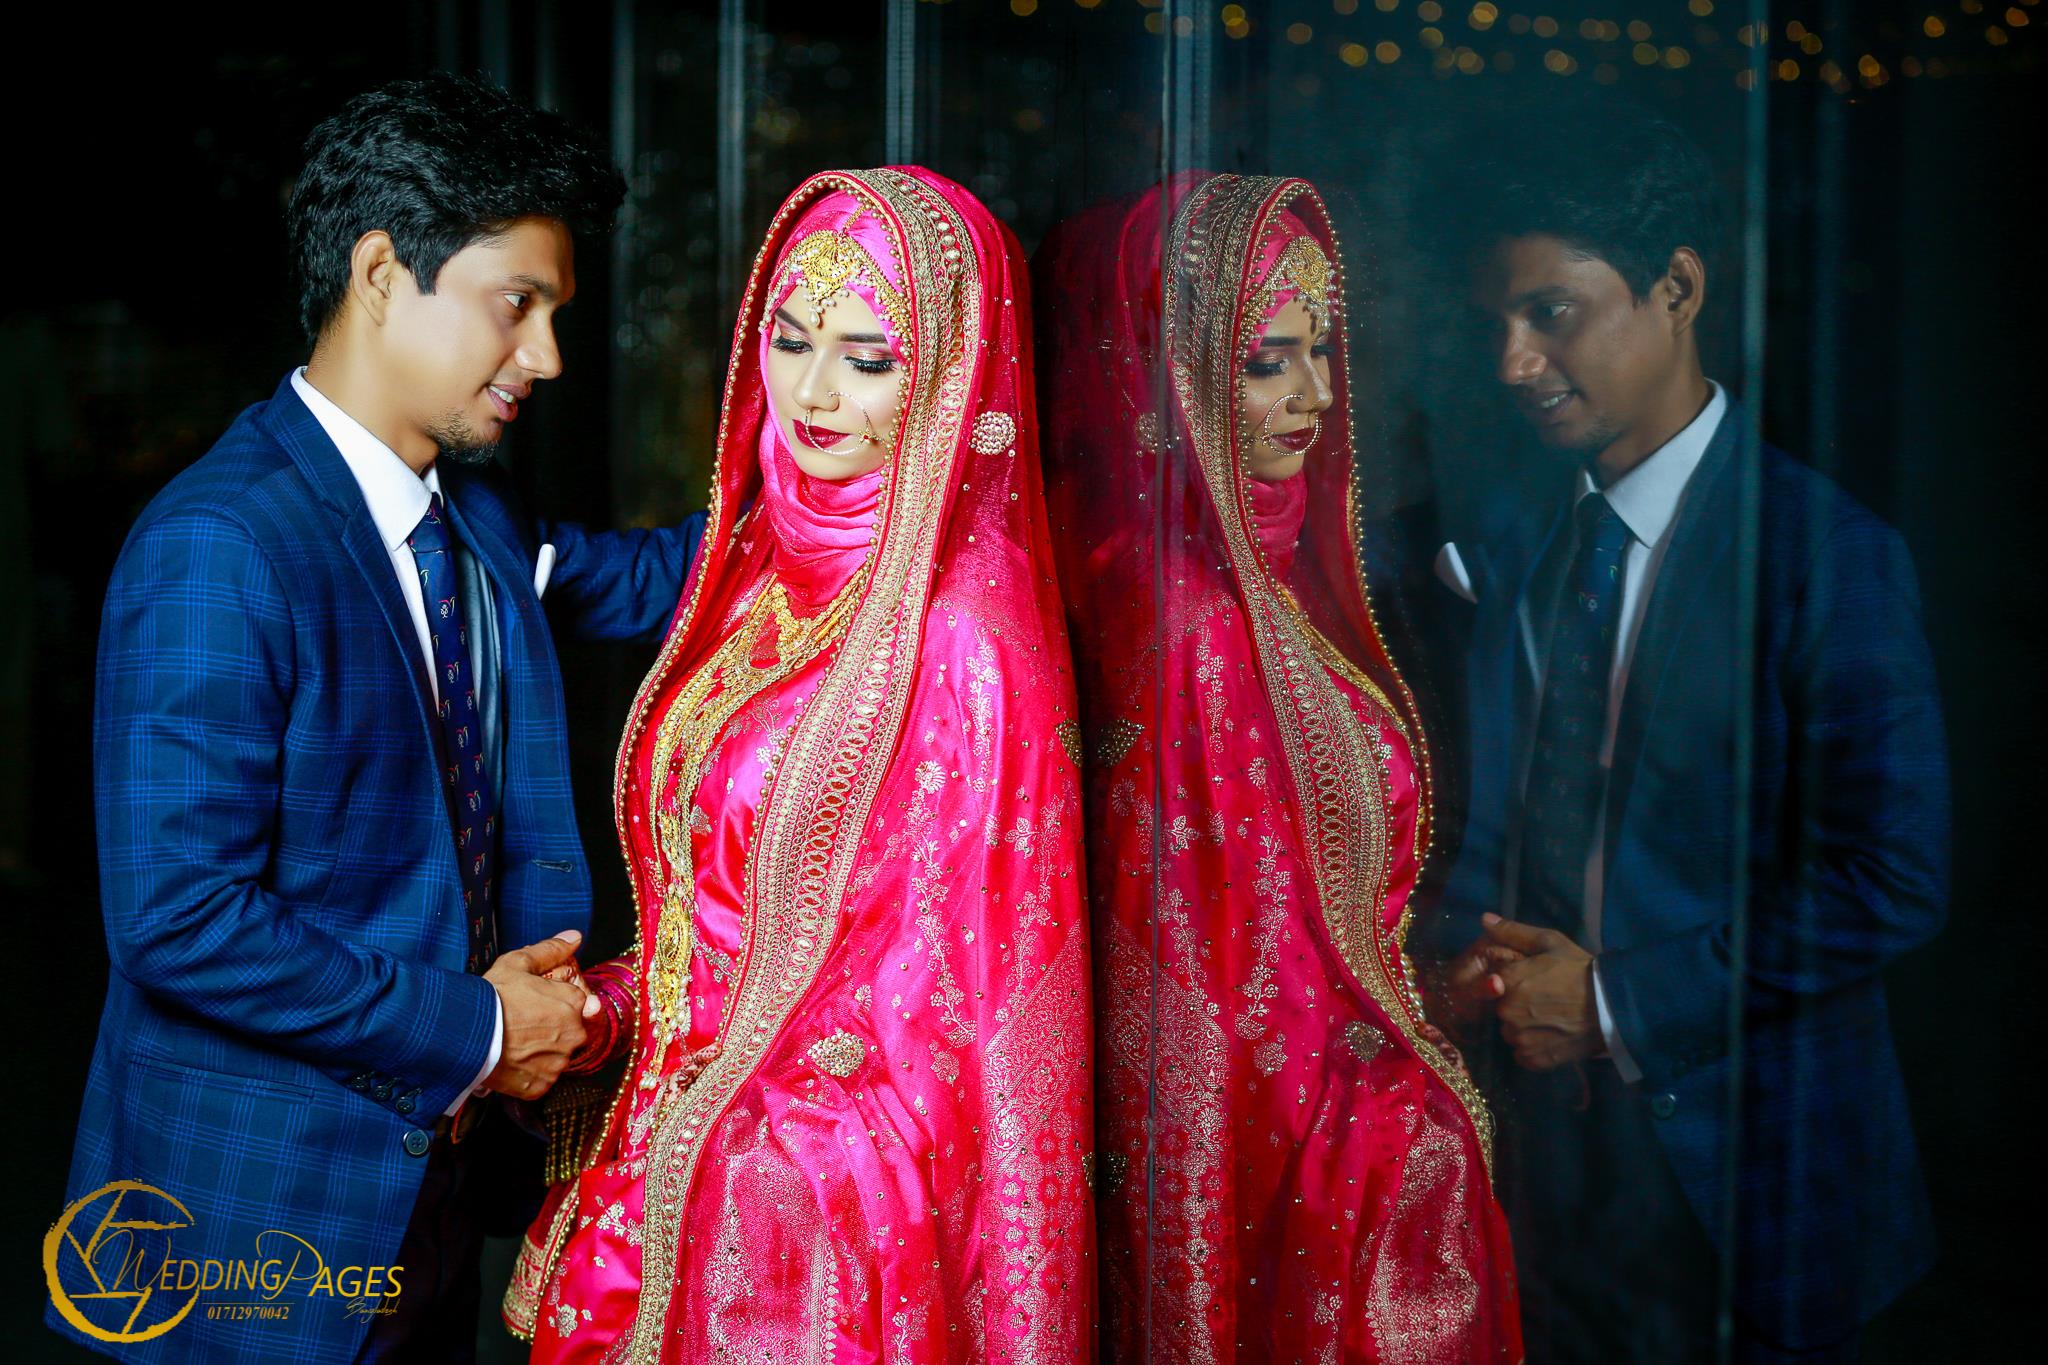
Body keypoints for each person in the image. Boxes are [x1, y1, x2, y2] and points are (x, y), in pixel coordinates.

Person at [46, 75, 706, 1363]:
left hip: (432, 1207)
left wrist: (871, 459)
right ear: (381, 271)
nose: (546, 358)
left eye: (554, 316)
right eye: (516, 305)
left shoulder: (476, 517)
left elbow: (652, 580)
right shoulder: (221, 543)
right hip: (252, 1218)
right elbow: (177, 918)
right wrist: (482, 1031)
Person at [501, 167, 1096, 1362]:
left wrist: (754, 1143)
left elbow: (958, 1028)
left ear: (952, 373)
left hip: (814, 1241)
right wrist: (603, 1008)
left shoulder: (962, 637)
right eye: (788, 340)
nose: (812, 392)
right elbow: (725, 934)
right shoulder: (753, 566)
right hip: (664, 1173)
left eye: (866, 358)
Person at [1429, 103, 1949, 1362]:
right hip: (1531, 1161)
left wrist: (1610, 1000)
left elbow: (1891, 876)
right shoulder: (1509, 527)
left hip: (1741, 1170)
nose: (1511, 363)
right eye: (1492, 322)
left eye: (1548, 313)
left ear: (1675, 288)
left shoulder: (1820, 556)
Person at [1036, 172, 1521, 1363]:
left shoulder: (1263, 573)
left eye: (1317, 350)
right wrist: (1394, 1104)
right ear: (1162, 371)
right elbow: (1222, 987)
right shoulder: (1194, 622)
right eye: (1266, 362)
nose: (1314, 395)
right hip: (1303, 1162)